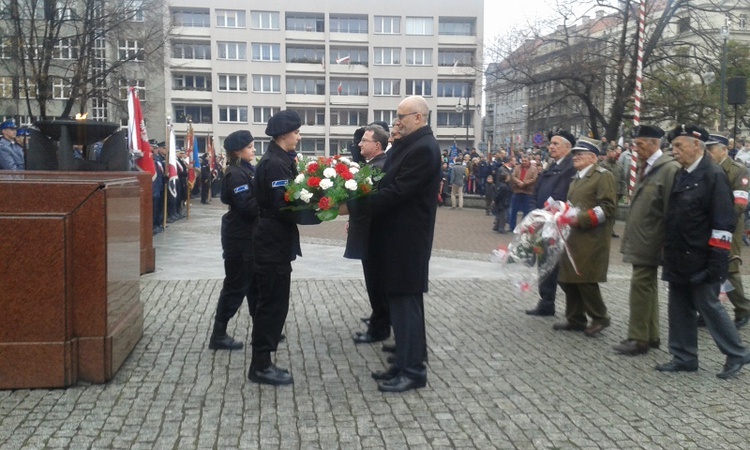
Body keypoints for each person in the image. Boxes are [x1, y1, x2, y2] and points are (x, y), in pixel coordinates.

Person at [341, 95, 441, 393]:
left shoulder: (424, 148)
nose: (396, 121)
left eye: (402, 116)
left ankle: (413, 371)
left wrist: (354, 206)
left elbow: (398, 192)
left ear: (419, 118)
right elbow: (384, 182)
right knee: (401, 303)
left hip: (407, 240)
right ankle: (404, 361)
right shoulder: (408, 145)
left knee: (406, 304)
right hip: (394, 238)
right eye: (397, 116)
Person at [656, 125, 750, 379]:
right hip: (678, 254)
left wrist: (717, 264)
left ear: (696, 146)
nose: (674, 151)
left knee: (708, 306)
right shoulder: (682, 174)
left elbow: (723, 222)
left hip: (700, 256)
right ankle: (684, 356)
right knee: (679, 306)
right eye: (673, 146)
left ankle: (737, 351)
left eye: (679, 146)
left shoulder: (714, 175)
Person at [249, 110, 314, 385]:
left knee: (276, 303)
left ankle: (264, 360)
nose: (299, 137)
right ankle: (260, 366)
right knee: (271, 305)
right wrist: (316, 213)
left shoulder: (281, 160)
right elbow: (283, 205)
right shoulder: (274, 164)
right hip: (271, 241)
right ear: (284, 135)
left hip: (275, 239)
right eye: (296, 133)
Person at [614, 125, 681, 356]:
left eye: (639, 144)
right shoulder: (649, 167)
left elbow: (671, 210)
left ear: (654, 143)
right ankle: (651, 335)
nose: (635, 149)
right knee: (647, 286)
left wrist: (665, 242)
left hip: (652, 239)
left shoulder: (668, 169)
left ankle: (638, 337)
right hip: (644, 237)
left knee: (641, 286)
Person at [553, 137, 616, 337]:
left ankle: (600, 317)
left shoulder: (602, 176)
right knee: (567, 277)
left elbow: (607, 207)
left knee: (586, 279)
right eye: (575, 154)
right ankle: (575, 318)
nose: (576, 158)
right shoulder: (577, 178)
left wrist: (580, 219)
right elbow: (575, 203)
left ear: (593, 158)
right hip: (573, 235)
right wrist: (560, 212)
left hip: (591, 236)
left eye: (580, 155)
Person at [208, 130, 259, 351]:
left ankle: (262, 329)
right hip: (239, 238)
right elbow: (246, 206)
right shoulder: (236, 174)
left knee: (255, 285)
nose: (254, 149)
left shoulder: (247, 170)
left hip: (248, 236)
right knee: (236, 285)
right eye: (250, 147)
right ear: (238, 151)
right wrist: (268, 202)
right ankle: (218, 334)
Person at [346, 124, 390, 345]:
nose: (360, 144)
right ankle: (379, 321)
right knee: (375, 282)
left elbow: (366, 202)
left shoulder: (377, 167)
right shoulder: (373, 165)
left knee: (376, 283)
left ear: (377, 145)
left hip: (373, 235)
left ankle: (379, 328)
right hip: (370, 232)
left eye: (365, 140)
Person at [526, 130, 576, 316]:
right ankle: (546, 302)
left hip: (556, 223)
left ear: (567, 147)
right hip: (542, 221)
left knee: (556, 265)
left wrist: (544, 214)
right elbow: (536, 190)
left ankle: (573, 306)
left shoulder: (570, 168)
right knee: (544, 261)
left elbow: (559, 195)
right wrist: (533, 212)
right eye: (551, 143)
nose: (551, 147)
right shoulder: (551, 166)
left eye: (555, 144)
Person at [706, 133, 750, 328]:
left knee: (729, 269)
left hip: (728, 228)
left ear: (723, 149)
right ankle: (708, 309)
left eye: (711, 149)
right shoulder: (706, 168)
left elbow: (739, 204)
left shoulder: (738, 171)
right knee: (708, 268)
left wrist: (720, 220)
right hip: (707, 226)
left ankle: (743, 309)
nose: (708, 153)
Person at [508, 155, 538, 231]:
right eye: (523, 161)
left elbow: (534, 178)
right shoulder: (517, 167)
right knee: (513, 210)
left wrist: (524, 183)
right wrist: (519, 182)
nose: (524, 162)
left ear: (529, 161)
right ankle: (512, 227)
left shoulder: (534, 169)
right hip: (517, 191)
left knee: (526, 211)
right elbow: (513, 176)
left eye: (525, 161)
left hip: (527, 192)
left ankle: (524, 227)